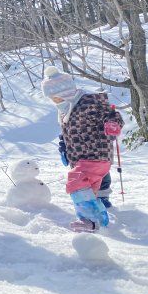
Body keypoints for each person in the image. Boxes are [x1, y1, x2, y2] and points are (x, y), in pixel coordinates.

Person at [41, 66, 123, 232]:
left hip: (95, 154)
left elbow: (112, 114)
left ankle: (90, 221)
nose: (54, 101)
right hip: (82, 157)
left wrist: (112, 124)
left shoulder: (88, 102)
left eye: (55, 97)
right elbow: (72, 131)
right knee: (89, 192)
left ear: (65, 92)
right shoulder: (66, 109)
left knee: (76, 182)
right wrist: (65, 144)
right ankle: (100, 220)